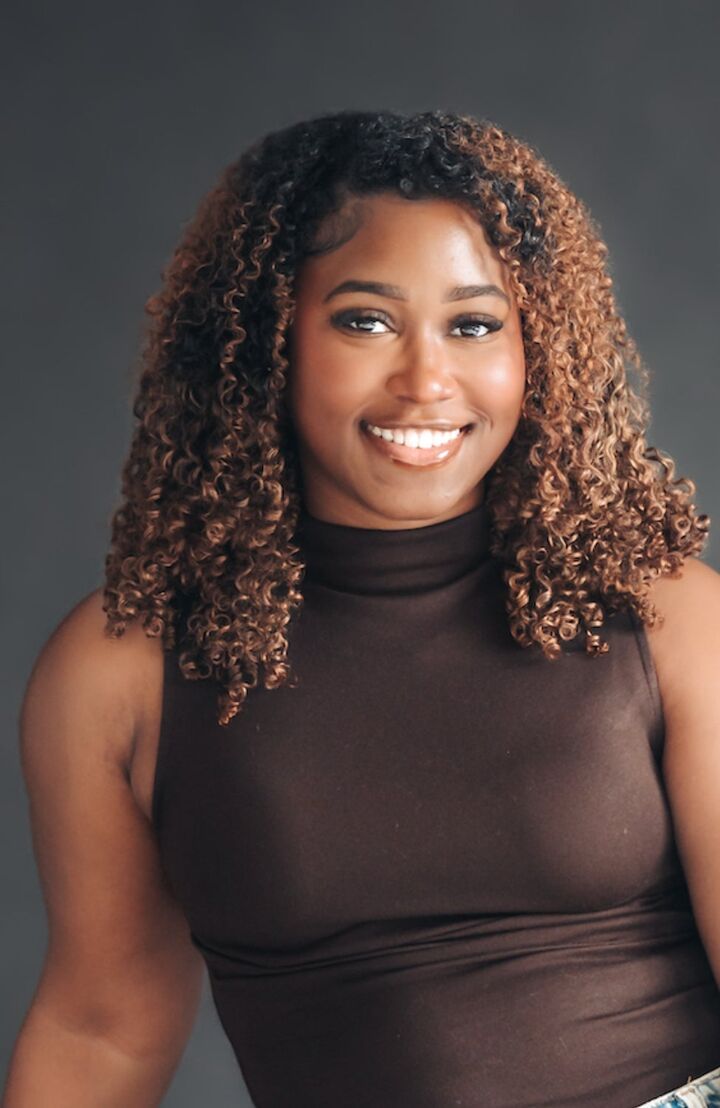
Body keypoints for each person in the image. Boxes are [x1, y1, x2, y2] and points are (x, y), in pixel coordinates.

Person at [4, 109, 720, 1108]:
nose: (427, 380)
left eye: (475, 325)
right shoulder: (120, 672)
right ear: (266, 345)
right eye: (366, 321)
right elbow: (101, 1028)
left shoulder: (665, 617)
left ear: (539, 348)